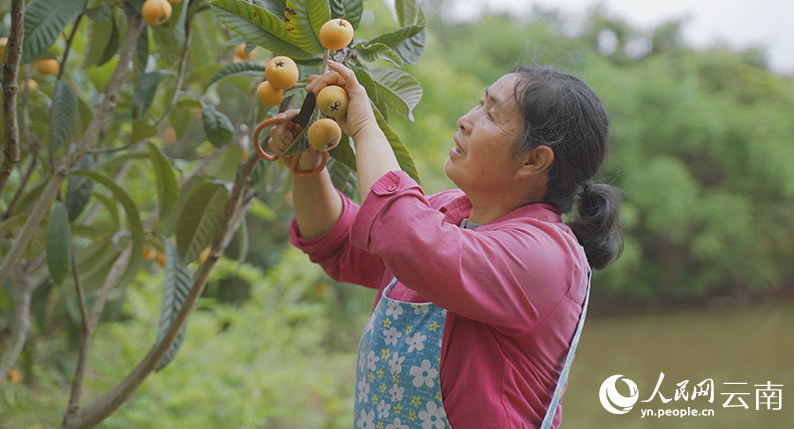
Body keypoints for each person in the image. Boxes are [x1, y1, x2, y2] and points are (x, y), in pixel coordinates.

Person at [267, 60, 623, 428]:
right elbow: (338, 241)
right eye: (480, 103)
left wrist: (363, 127)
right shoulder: (445, 213)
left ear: (533, 160)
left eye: (491, 114)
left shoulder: (546, 256)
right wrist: (307, 167)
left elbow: (404, 234)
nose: (466, 119)